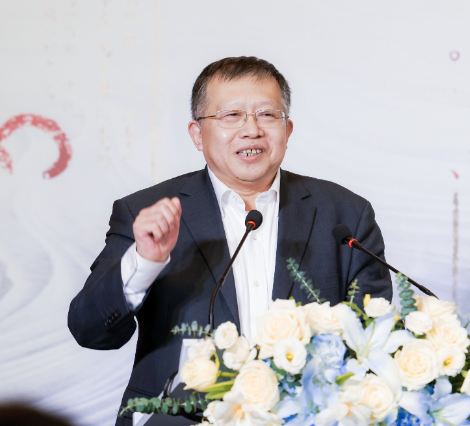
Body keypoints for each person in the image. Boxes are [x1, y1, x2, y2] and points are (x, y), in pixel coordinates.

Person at [68, 56, 392, 425]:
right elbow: (90, 331)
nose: (251, 130)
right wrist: (144, 261)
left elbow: (374, 340)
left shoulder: (345, 215)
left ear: (287, 130)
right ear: (197, 134)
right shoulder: (146, 212)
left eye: (267, 115)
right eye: (231, 115)